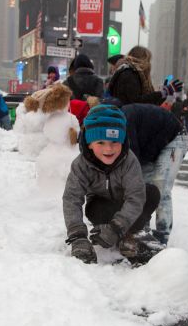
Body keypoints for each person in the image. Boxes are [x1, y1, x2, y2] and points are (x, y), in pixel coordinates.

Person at [63, 106, 161, 264]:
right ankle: (128, 235)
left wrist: (116, 228)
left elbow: (135, 197)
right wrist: (77, 236)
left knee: (151, 192)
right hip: (101, 207)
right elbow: (71, 198)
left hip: (127, 208)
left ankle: (132, 235)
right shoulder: (80, 165)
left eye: (115, 141)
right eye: (100, 142)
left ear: (122, 141)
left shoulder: (129, 161)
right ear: (89, 144)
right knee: (96, 208)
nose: (108, 149)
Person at [121, 103, 188, 245]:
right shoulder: (115, 126)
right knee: (143, 188)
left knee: (160, 187)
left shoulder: (124, 122)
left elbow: (133, 161)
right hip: (150, 146)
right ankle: (141, 230)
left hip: (174, 138)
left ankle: (161, 236)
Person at [108, 46, 182, 106]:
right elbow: (136, 102)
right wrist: (162, 93)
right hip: (128, 121)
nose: (149, 64)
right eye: (148, 60)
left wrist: (164, 93)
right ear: (141, 59)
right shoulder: (129, 74)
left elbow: (151, 105)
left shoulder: (135, 74)